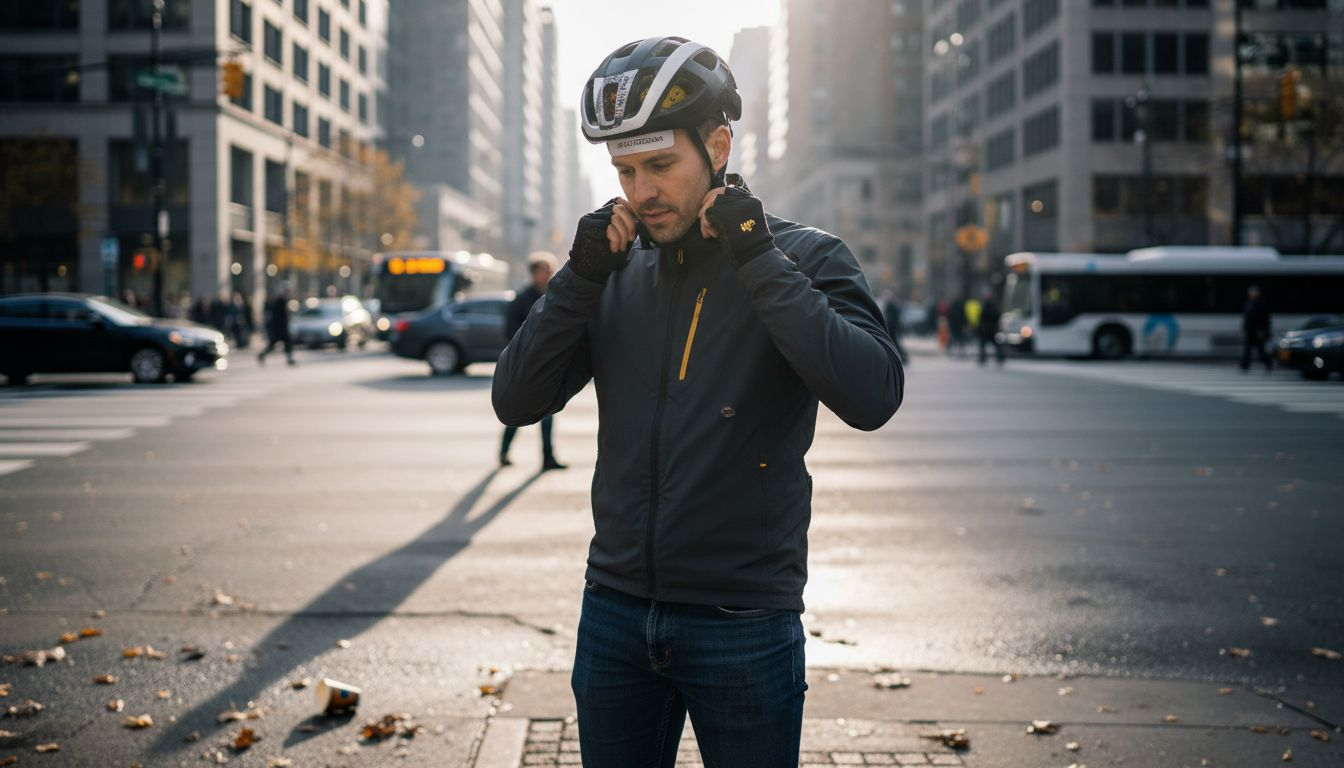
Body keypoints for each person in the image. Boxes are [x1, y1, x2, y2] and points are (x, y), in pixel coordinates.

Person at [492, 36, 904, 767]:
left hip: (742, 620)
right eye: (624, 170)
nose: (641, 190)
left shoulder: (804, 257)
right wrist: (578, 281)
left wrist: (758, 261)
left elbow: (872, 395)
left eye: (659, 166)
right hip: (615, 612)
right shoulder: (612, 270)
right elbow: (516, 399)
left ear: (717, 146)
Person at [499, 252, 567, 471]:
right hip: (525, 365)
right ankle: (504, 451)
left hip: (548, 363)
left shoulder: (556, 293)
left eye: (550, 269)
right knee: (517, 412)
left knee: (547, 413)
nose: (547, 273)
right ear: (533, 273)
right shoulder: (522, 298)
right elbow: (510, 330)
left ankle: (548, 457)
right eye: (542, 270)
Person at [256, 284, 295, 366]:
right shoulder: (280, 301)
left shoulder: (280, 301)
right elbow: (279, 315)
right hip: (280, 328)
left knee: (285, 343)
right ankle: (262, 355)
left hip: (280, 328)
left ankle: (289, 359)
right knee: (275, 344)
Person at [1240, 285, 1273, 372]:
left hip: (1257, 332)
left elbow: (1263, 319)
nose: (1252, 294)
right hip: (1250, 331)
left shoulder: (1260, 304)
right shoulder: (1250, 303)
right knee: (1248, 349)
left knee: (1260, 351)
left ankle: (1268, 363)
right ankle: (1244, 365)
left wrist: (1261, 331)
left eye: (1254, 292)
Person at [976, 288, 1004, 366]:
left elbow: (981, 318)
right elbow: (997, 316)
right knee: (996, 345)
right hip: (992, 329)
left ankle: (983, 358)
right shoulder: (994, 306)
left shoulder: (985, 307)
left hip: (986, 330)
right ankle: (1000, 357)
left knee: (983, 345)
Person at [881, 290, 909, 364]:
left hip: (892, 327)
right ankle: (901, 356)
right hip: (893, 327)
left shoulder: (890, 305)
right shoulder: (893, 305)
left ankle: (901, 356)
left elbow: (891, 317)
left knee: (895, 343)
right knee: (895, 342)